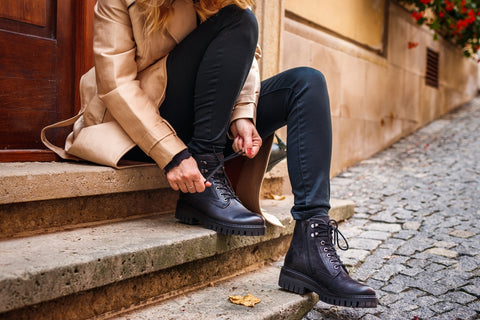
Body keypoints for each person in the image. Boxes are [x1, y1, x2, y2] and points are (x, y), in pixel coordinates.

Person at [42, 0, 377, 309]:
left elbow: (247, 58)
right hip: (144, 117)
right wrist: (173, 154)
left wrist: (242, 115)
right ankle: (204, 172)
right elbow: (117, 85)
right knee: (239, 20)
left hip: (207, 117)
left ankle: (311, 243)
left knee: (306, 83)